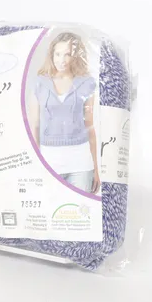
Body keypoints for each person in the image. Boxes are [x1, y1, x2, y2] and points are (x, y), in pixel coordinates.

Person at [28, 32, 101, 194]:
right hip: (49, 161)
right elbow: (34, 126)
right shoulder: (39, 83)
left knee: (80, 209)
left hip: (81, 163)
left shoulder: (86, 83)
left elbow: (90, 126)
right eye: (58, 54)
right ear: (51, 54)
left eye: (67, 54)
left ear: (75, 56)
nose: (62, 60)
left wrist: (96, 169)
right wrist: (36, 163)